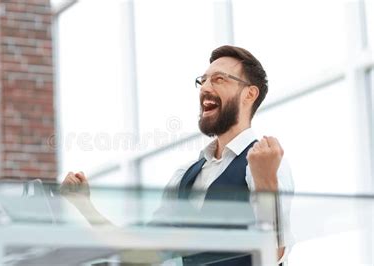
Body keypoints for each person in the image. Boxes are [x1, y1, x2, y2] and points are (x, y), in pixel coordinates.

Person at [60, 45, 294, 265]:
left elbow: (274, 254)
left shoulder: (266, 163)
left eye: (218, 79)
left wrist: (265, 181)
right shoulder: (186, 175)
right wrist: (85, 206)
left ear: (249, 94)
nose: (205, 87)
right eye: (203, 80)